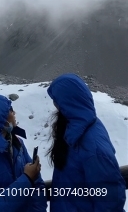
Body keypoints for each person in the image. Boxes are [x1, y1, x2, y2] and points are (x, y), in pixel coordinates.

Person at [47, 73, 126, 212]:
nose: (55, 105)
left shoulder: (94, 148)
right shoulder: (77, 129)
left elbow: (110, 202)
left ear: (68, 102)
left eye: (56, 100)